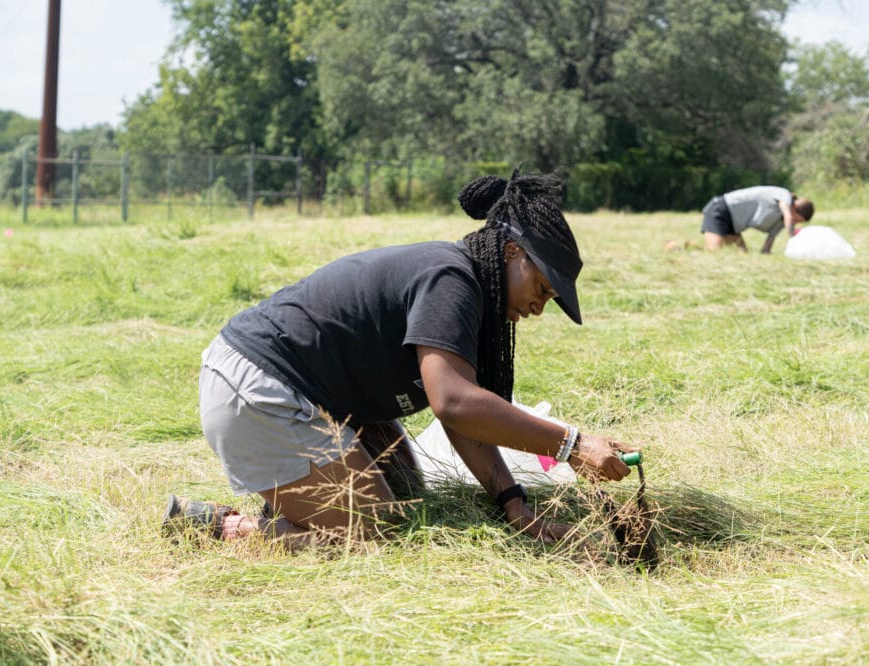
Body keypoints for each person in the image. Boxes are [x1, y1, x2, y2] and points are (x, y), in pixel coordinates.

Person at [163, 170, 640, 548]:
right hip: (258, 388)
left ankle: (295, 506)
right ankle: (222, 528)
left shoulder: (466, 288)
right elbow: (454, 403)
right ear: (512, 251)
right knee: (372, 531)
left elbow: (466, 418)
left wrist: (515, 506)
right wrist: (571, 444)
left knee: (410, 495)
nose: (539, 307)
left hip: (304, 391)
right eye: (541, 288)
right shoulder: (453, 280)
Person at [667, 186, 814, 254]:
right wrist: (793, 238)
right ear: (796, 209)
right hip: (721, 210)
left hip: (734, 226)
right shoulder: (784, 196)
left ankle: (692, 245)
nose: (795, 223)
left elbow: (766, 248)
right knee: (714, 254)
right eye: (798, 220)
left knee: (741, 255)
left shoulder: (780, 222)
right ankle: (678, 247)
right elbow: (788, 216)